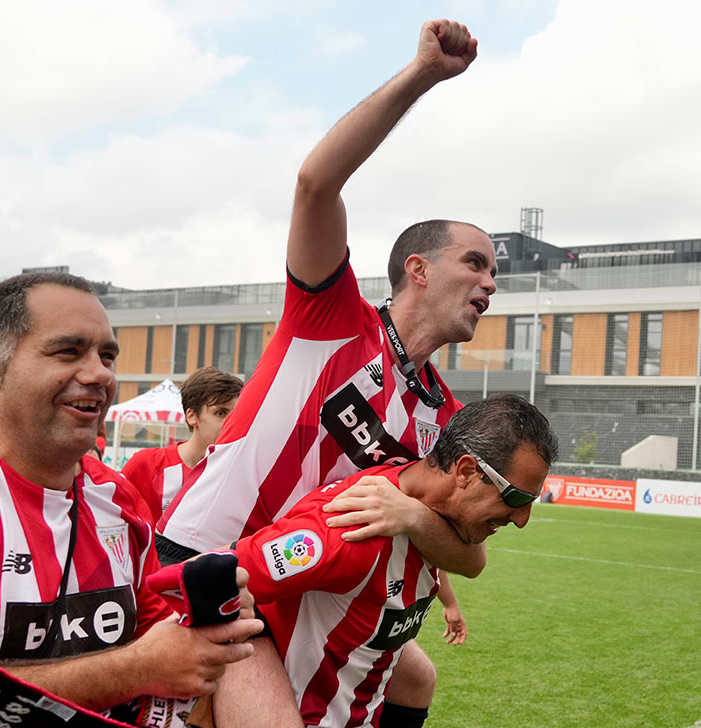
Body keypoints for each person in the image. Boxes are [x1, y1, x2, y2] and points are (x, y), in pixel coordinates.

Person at [158, 19, 489, 726]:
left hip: (303, 579)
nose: (492, 284)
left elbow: (465, 551)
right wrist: (423, 75)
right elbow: (316, 183)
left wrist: (412, 519)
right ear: (418, 270)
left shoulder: (443, 415)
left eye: (496, 271)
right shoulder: (332, 317)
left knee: (415, 678)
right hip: (212, 561)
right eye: (477, 263)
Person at [0, 272, 262, 722]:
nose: (100, 373)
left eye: (107, 356)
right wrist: (136, 670)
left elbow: (164, 644)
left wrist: (204, 625)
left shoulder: (115, 497)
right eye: (68, 351)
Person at [233, 395, 557, 727]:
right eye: (516, 497)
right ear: (466, 471)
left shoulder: (436, 518)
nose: (522, 519)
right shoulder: (352, 530)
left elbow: (474, 564)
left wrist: (415, 516)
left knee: (419, 677)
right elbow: (215, 578)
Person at [123, 367, 243, 524]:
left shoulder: (242, 472)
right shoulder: (147, 465)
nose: (230, 422)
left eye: (236, 414)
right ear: (192, 416)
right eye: (220, 413)